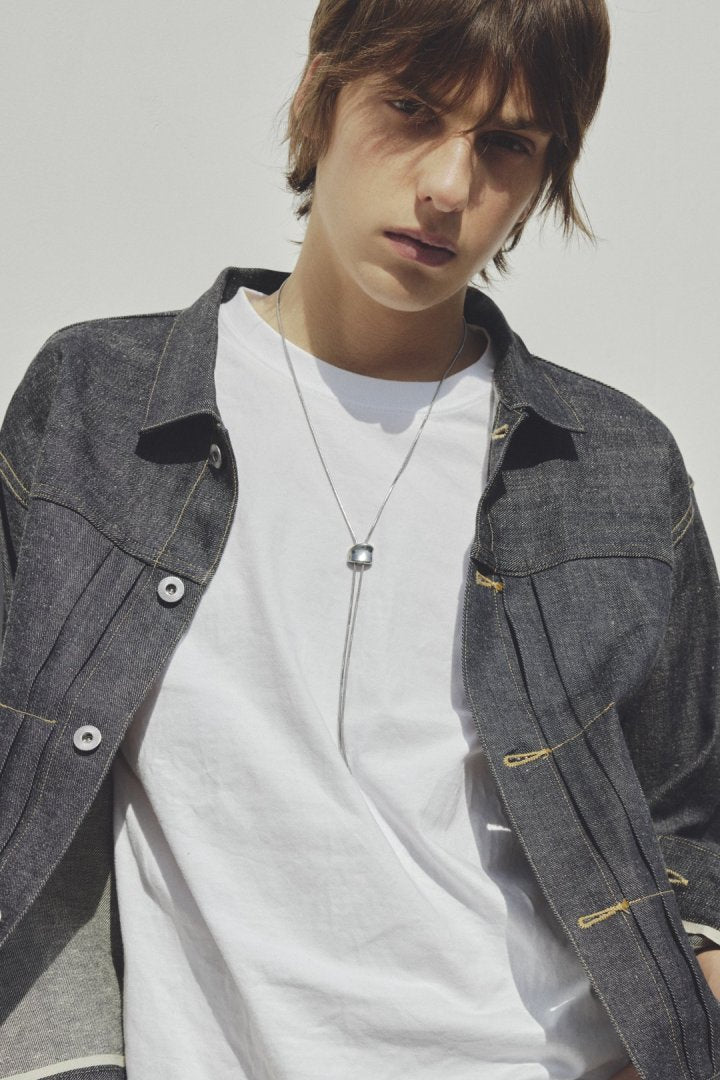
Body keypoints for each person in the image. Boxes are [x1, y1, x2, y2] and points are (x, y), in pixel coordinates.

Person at [0, 1, 718, 1077]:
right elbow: (29, 807)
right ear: (319, 97)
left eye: (505, 144)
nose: (448, 186)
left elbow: (693, 831)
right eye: (412, 109)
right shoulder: (99, 406)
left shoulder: (612, 465)